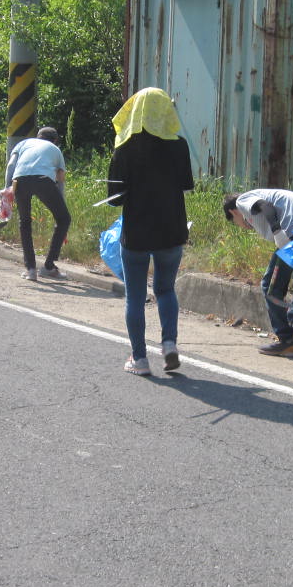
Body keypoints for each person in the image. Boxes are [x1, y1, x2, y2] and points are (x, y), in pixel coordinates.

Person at [106, 88, 193, 375]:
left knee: (135, 295)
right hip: (172, 229)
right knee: (165, 289)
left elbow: (115, 198)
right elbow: (186, 184)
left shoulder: (125, 147)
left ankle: (139, 359)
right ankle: (169, 344)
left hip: (137, 232)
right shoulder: (179, 145)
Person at [224, 188, 293, 356]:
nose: (243, 226)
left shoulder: (242, 201)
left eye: (235, 222)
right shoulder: (267, 194)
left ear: (233, 212)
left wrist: (277, 231)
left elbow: (265, 206)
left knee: (271, 287)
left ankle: (287, 341)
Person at [5, 126, 70, 281]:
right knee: (64, 219)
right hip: (43, 181)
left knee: (25, 222)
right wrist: (61, 207)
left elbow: (10, 166)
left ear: (38, 137)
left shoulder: (24, 143)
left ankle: (31, 270)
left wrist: (8, 189)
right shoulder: (55, 149)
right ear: (55, 140)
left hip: (20, 180)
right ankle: (48, 267)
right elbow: (60, 180)